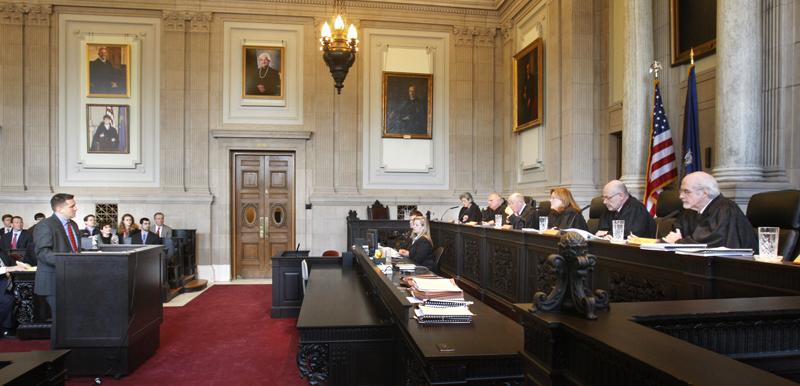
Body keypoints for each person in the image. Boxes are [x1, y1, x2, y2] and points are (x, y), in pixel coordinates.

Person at [33, 193, 81, 349]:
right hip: (53, 280)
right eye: (72, 206)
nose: (76, 208)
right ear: (60, 209)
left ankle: (72, 356)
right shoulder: (45, 225)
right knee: (61, 320)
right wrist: (68, 262)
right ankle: (57, 359)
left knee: (71, 319)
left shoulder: (73, 225)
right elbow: (42, 253)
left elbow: (73, 250)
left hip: (72, 280)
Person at [662, 171, 758, 249]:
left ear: (705, 193)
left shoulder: (725, 210)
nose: (681, 196)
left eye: (686, 192)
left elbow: (713, 244)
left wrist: (679, 242)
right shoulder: (690, 211)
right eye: (681, 191)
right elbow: (674, 235)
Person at [0, 248, 25, 339]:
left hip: (7, 286)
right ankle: (5, 328)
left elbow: (13, 264)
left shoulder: (1, 252)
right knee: (7, 300)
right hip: (2, 287)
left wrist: (23, 265)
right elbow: (9, 268)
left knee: (23, 294)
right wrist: (11, 268)